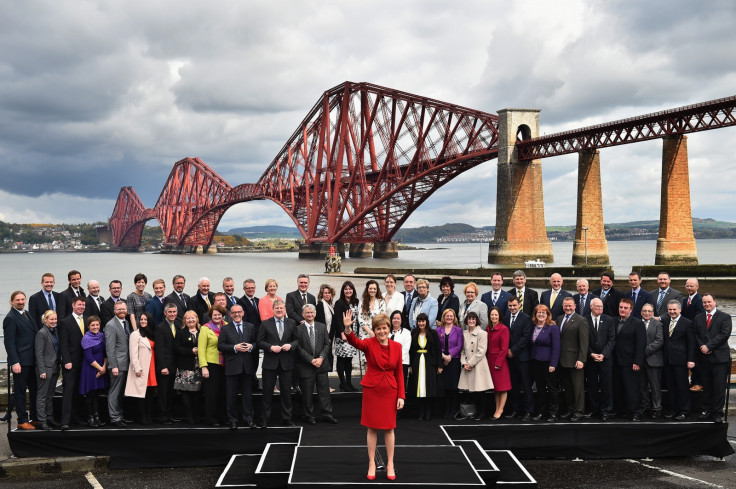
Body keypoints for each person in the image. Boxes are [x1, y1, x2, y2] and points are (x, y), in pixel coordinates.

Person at [342, 311, 404, 481]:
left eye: (384, 328)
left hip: (390, 391)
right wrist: (348, 327)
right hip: (372, 390)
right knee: (372, 427)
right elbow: (354, 341)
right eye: (378, 329)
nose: (381, 331)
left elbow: (399, 373)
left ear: (389, 328)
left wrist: (401, 396)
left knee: (389, 428)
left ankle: (390, 463)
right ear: (374, 330)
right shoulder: (369, 343)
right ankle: (371, 463)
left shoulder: (397, 346)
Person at [257, 299, 298, 427]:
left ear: (285, 310)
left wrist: (290, 346)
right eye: (277, 308)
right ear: (273, 310)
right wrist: (270, 347)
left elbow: (297, 340)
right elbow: (259, 342)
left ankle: (287, 418)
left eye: (281, 308)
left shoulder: (291, 323)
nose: (279, 310)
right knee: (267, 392)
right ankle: (265, 419)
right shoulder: (265, 324)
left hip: (286, 363)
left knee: (286, 392)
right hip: (270, 363)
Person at [295, 304, 337, 424]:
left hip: (321, 365)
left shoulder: (322, 327)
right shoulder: (298, 329)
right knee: (307, 393)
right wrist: (311, 360)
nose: (310, 314)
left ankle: (327, 413)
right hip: (306, 365)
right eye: (307, 313)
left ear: (315, 314)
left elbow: (327, 345)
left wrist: (321, 358)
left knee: (324, 392)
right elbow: (298, 347)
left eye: (312, 312)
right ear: (303, 314)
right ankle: (309, 415)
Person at [693, 294, 733, 423]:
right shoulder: (698, 318)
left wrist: (709, 346)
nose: (707, 304)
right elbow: (696, 335)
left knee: (719, 386)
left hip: (719, 358)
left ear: (714, 302)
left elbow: (724, 334)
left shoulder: (725, 317)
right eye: (704, 302)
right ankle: (706, 410)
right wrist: (702, 347)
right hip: (703, 357)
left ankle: (717, 412)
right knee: (707, 386)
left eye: (709, 302)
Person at [218, 304, 257, 429]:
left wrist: (252, 346)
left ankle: (248, 419)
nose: (236, 314)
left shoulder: (250, 327)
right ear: (230, 314)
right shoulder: (225, 329)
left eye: (239, 312)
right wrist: (235, 347)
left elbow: (257, 342)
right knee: (231, 396)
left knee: (247, 395)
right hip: (232, 367)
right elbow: (221, 346)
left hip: (247, 366)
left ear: (243, 313)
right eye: (234, 312)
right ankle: (232, 420)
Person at [4, 291, 38, 430]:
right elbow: (9, 342)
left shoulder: (27, 314)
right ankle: (22, 420)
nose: (20, 302)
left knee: (35, 391)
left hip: (32, 360)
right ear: (12, 301)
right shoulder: (10, 318)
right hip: (21, 362)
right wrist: (14, 362)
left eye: (23, 299)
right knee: (20, 393)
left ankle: (35, 418)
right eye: (17, 300)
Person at [555, 297, 589, 421]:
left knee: (578, 388)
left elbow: (584, 342)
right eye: (565, 306)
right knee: (568, 387)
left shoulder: (581, 320)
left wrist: (581, 359)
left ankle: (579, 411)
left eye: (570, 306)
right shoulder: (559, 319)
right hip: (562, 360)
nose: (568, 308)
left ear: (575, 306)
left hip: (576, 360)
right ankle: (570, 409)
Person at [613, 298, 646, 421]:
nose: (622, 309)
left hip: (631, 362)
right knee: (618, 388)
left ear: (631, 310)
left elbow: (641, 344)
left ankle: (636, 411)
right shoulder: (614, 321)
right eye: (621, 307)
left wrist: (637, 361)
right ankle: (622, 411)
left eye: (625, 308)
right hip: (616, 361)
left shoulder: (638, 323)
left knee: (632, 388)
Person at [662, 300, 695, 421]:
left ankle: (685, 411)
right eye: (670, 310)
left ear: (680, 310)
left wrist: (691, 359)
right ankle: (675, 409)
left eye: (674, 309)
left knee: (682, 386)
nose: (672, 312)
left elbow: (691, 343)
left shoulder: (687, 323)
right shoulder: (665, 321)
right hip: (667, 359)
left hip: (681, 360)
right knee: (671, 386)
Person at [503, 295, 534, 421]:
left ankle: (529, 411)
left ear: (519, 305)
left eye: (514, 305)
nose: (512, 308)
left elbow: (526, 337)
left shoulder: (526, 318)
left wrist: (513, 350)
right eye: (510, 306)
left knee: (526, 386)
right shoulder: (505, 318)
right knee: (514, 386)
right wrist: (507, 351)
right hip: (510, 358)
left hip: (523, 358)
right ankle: (516, 410)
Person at [458, 311, 494, 419]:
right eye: (469, 319)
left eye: (473, 319)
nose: (471, 321)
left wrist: (470, 363)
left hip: (478, 365)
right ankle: (476, 411)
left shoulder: (483, 333)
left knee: (480, 391)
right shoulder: (464, 333)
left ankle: (483, 413)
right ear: (466, 321)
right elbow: (462, 351)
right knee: (472, 391)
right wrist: (464, 363)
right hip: (468, 366)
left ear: (477, 321)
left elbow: (481, 351)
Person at [58, 296, 86, 430]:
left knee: (79, 392)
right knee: (68, 392)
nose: (81, 307)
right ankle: (65, 421)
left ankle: (77, 418)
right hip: (71, 363)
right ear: (73, 305)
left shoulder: (87, 320)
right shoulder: (65, 322)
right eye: (79, 305)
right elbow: (63, 344)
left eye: (83, 305)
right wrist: (67, 360)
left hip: (85, 363)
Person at [585, 298, 616, 421]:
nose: (599, 309)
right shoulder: (584, 320)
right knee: (592, 385)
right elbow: (583, 340)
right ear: (591, 306)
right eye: (597, 306)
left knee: (606, 385)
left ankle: (606, 410)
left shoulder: (609, 320)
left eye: (601, 307)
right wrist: (591, 353)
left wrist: (603, 354)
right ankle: (594, 409)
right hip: (590, 358)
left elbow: (612, 339)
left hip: (606, 359)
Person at [408, 313, 442, 420]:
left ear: (426, 322)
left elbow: (438, 350)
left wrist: (439, 365)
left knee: (428, 387)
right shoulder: (414, 333)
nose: (421, 323)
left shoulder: (433, 333)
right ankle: (421, 411)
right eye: (419, 321)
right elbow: (411, 351)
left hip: (429, 363)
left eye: (423, 321)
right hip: (417, 362)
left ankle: (428, 412)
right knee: (420, 388)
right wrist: (410, 366)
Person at [529, 305, 560, 422]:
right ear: (535, 314)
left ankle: (553, 413)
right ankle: (542, 412)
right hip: (536, 362)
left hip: (548, 363)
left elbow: (556, 347)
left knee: (552, 388)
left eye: (543, 313)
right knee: (540, 388)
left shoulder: (553, 327)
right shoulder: (533, 326)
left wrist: (553, 364)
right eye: (538, 312)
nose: (541, 315)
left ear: (547, 314)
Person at [125, 312, 157, 425]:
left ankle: (149, 416)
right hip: (141, 368)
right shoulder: (135, 334)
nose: (143, 321)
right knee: (140, 395)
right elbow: (133, 353)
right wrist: (137, 368)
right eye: (141, 319)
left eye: (145, 319)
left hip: (152, 367)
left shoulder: (152, 333)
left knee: (149, 394)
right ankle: (142, 417)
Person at [199, 306, 228, 427]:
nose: (217, 317)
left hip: (226, 364)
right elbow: (201, 349)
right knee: (212, 393)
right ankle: (212, 418)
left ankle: (223, 417)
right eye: (215, 315)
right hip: (211, 365)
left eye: (219, 314)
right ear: (211, 315)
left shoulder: (227, 325)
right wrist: (204, 367)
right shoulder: (205, 328)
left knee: (224, 393)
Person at [104, 300, 131, 427]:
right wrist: (113, 366)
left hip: (126, 364)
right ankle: (114, 417)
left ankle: (119, 415)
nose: (122, 311)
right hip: (117, 365)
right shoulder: (110, 325)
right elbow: (110, 348)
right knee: (114, 392)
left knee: (121, 393)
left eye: (123, 309)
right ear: (115, 311)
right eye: (119, 309)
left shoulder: (126, 322)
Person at [174, 309, 202, 425]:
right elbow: (176, 348)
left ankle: (196, 415)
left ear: (196, 319)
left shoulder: (202, 331)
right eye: (188, 318)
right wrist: (191, 351)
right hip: (186, 367)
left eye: (193, 317)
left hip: (199, 367)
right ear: (185, 320)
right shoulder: (181, 332)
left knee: (197, 392)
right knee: (186, 392)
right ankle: (189, 415)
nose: (191, 320)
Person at [79, 316, 108, 428]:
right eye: (93, 325)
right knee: (90, 394)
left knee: (97, 394)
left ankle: (97, 417)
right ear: (88, 326)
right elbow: (89, 357)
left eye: (97, 325)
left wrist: (104, 367)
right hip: (90, 369)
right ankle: (90, 418)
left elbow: (106, 353)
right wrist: (100, 369)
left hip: (102, 367)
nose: (95, 327)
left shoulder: (102, 335)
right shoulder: (86, 338)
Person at [35, 310, 61, 430]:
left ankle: (50, 418)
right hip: (45, 368)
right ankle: (42, 421)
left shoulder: (55, 331)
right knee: (42, 396)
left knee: (50, 396)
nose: (54, 321)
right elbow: (38, 353)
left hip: (55, 367)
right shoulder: (42, 333)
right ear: (45, 320)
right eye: (51, 319)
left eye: (55, 319)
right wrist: (42, 370)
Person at [332, 281, 360, 391]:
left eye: (350, 289)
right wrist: (342, 333)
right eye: (346, 289)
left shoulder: (356, 302)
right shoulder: (339, 303)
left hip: (353, 334)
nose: (348, 291)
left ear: (353, 290)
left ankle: (349, 382)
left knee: (349, 359)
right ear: (343, 291)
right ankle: (342, 383)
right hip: (342, 336)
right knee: (341, 359)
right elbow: (338, 320)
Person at [436, 309, 463, 419]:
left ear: (454, 317)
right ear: (444, 317)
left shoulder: (458, 330)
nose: (449, 318)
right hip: (442, 361)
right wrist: (443, 356)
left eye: (451, 316)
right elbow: (437, 345)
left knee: (454, 387)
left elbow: (459, 345)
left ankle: (453, 410)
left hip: (454, 361)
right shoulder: (438, 330)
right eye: (447, 316)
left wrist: (450, 356)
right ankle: (446, 409)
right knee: (445, 387)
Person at [639, 303, 664, 419]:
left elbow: (659, 341)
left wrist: (644, 351)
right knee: (642, 385)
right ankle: (645, 407)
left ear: (653, 313)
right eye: (644, 311)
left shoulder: (658, 324)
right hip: (639, 361)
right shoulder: (638, 323)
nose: (647, 313)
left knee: (655, 386)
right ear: (641, 312)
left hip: (654, 360)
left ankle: (657, 408)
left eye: (649, 311)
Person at [154, 302, 178, 424]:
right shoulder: (160, 327)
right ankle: (162, 416)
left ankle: (169, 414)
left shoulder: (177, 326)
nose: (172, 314)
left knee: (171, 392)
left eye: (174, 312)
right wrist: (163, 366)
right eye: (170, 312)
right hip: (164, 366)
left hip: (174, 366)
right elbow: (159, 349)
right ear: (165, 313)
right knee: (163, 393)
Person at [486, 307, 511, 420]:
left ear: (499, 316)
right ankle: (496, 408)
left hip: (499, 362)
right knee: (495, 388)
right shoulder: (488, 328)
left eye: (496, 315)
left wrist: (499, 363)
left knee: (502, 387)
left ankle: (500, 410)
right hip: (489, 361)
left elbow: (504, 348)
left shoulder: (504, 329)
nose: (494, 317)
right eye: (492, 315)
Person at [389, 311, 411, 393]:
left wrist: (396, 361)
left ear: (401, 320)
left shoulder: (406, 333)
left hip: (402, 363)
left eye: (398, 318)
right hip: (388, 364)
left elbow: (405, 349)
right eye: (394, 318)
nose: (396, 320)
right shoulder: (387, 332)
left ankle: (401, 404)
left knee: (400, 386)